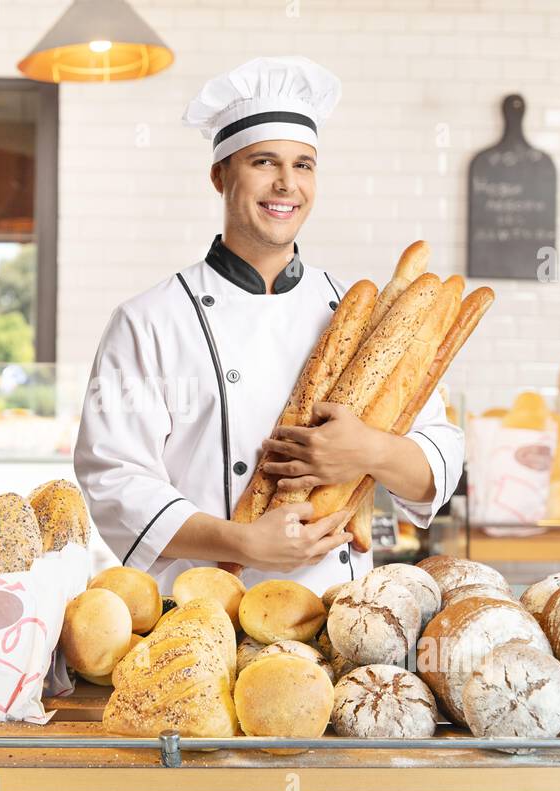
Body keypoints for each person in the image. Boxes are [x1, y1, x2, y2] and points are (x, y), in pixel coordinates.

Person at [74, 57, 464, 595]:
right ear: (219, 175)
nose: (287, 185)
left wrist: (369, 450)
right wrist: (244, 543)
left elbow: (435, 469)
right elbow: (114, 480)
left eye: (304, 165)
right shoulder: (148, 321)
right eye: (264, 162)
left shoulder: (361, 315)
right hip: (203, 619)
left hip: (340, 613)